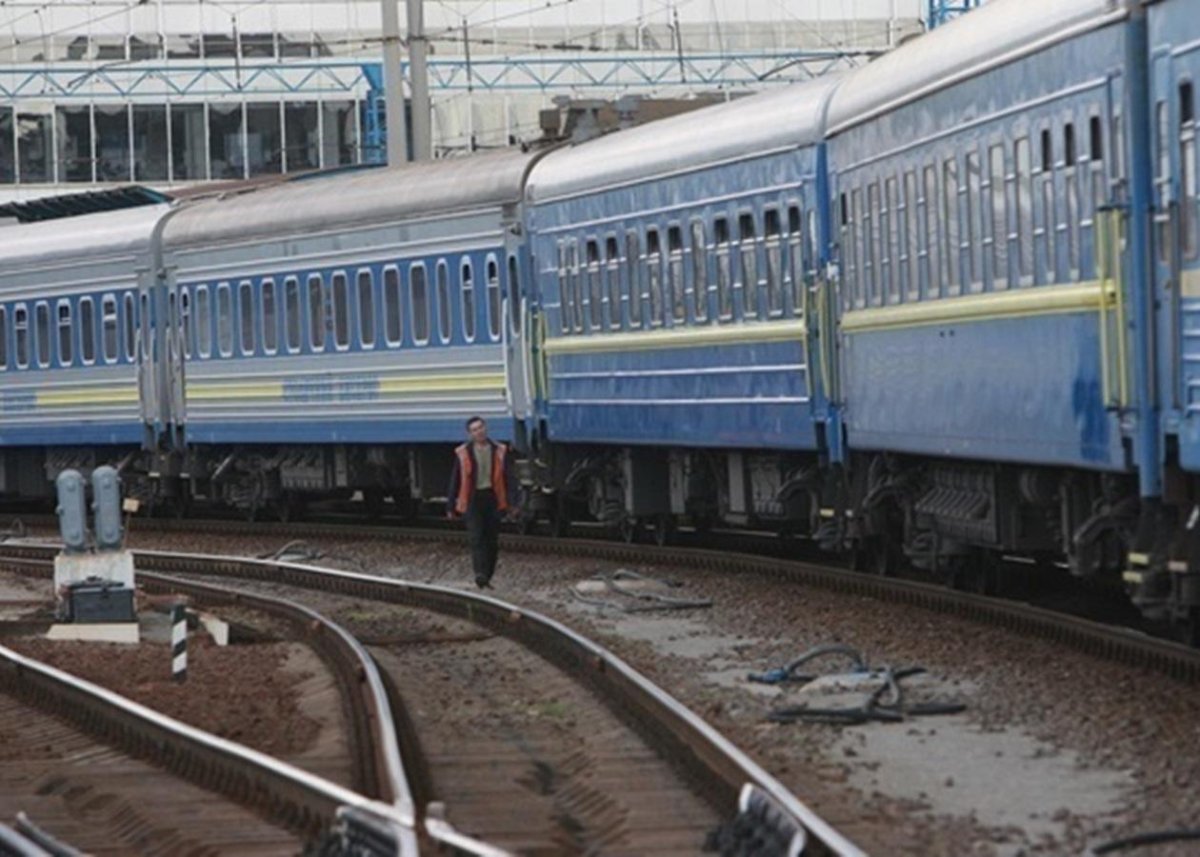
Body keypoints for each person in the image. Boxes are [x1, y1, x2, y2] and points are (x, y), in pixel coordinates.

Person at [447, 416, 517, 588]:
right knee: (476, 537)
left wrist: (513, 502)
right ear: (470, 434)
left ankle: (488, 574)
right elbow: (455, 480)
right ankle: (480, 574)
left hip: (493, 498)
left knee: (492, 539)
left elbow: (509, 478)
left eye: (481, 427)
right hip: (472, 499)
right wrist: (450, 505)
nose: (479, 432)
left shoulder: (500, 450)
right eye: (475, 429)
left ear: (486, 428)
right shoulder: (463, 453)